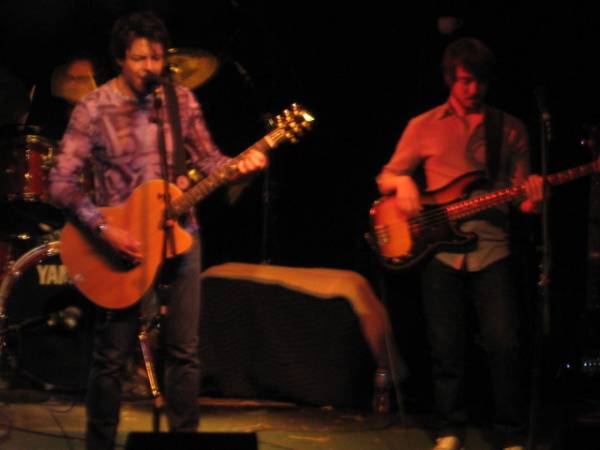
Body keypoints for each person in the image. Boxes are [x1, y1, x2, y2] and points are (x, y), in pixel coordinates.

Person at [49, 11, 267, 450]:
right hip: (119, 244)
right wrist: (104, 227)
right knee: (111, 358)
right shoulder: (94, 108)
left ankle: (183, 441)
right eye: (138, 58)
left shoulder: (180, 100)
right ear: (119, 60)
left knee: (184, 352)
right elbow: (60, 182)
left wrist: (241, 167)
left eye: (154, 57)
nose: (150, 66)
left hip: (181, 233)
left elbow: (208, 160)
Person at [376, 38, 544, 450]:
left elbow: (523, 199)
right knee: (445, 346)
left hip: (492, 246)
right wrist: (402, 184)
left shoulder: (509, 128)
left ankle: (509, 432)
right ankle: (449, 427)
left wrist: (534, 198)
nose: (473, 91)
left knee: (504, 344)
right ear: (450, 78)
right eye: (465, 81)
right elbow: (386, 176)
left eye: (480, 82)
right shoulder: (423, 125)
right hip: (439, 249)